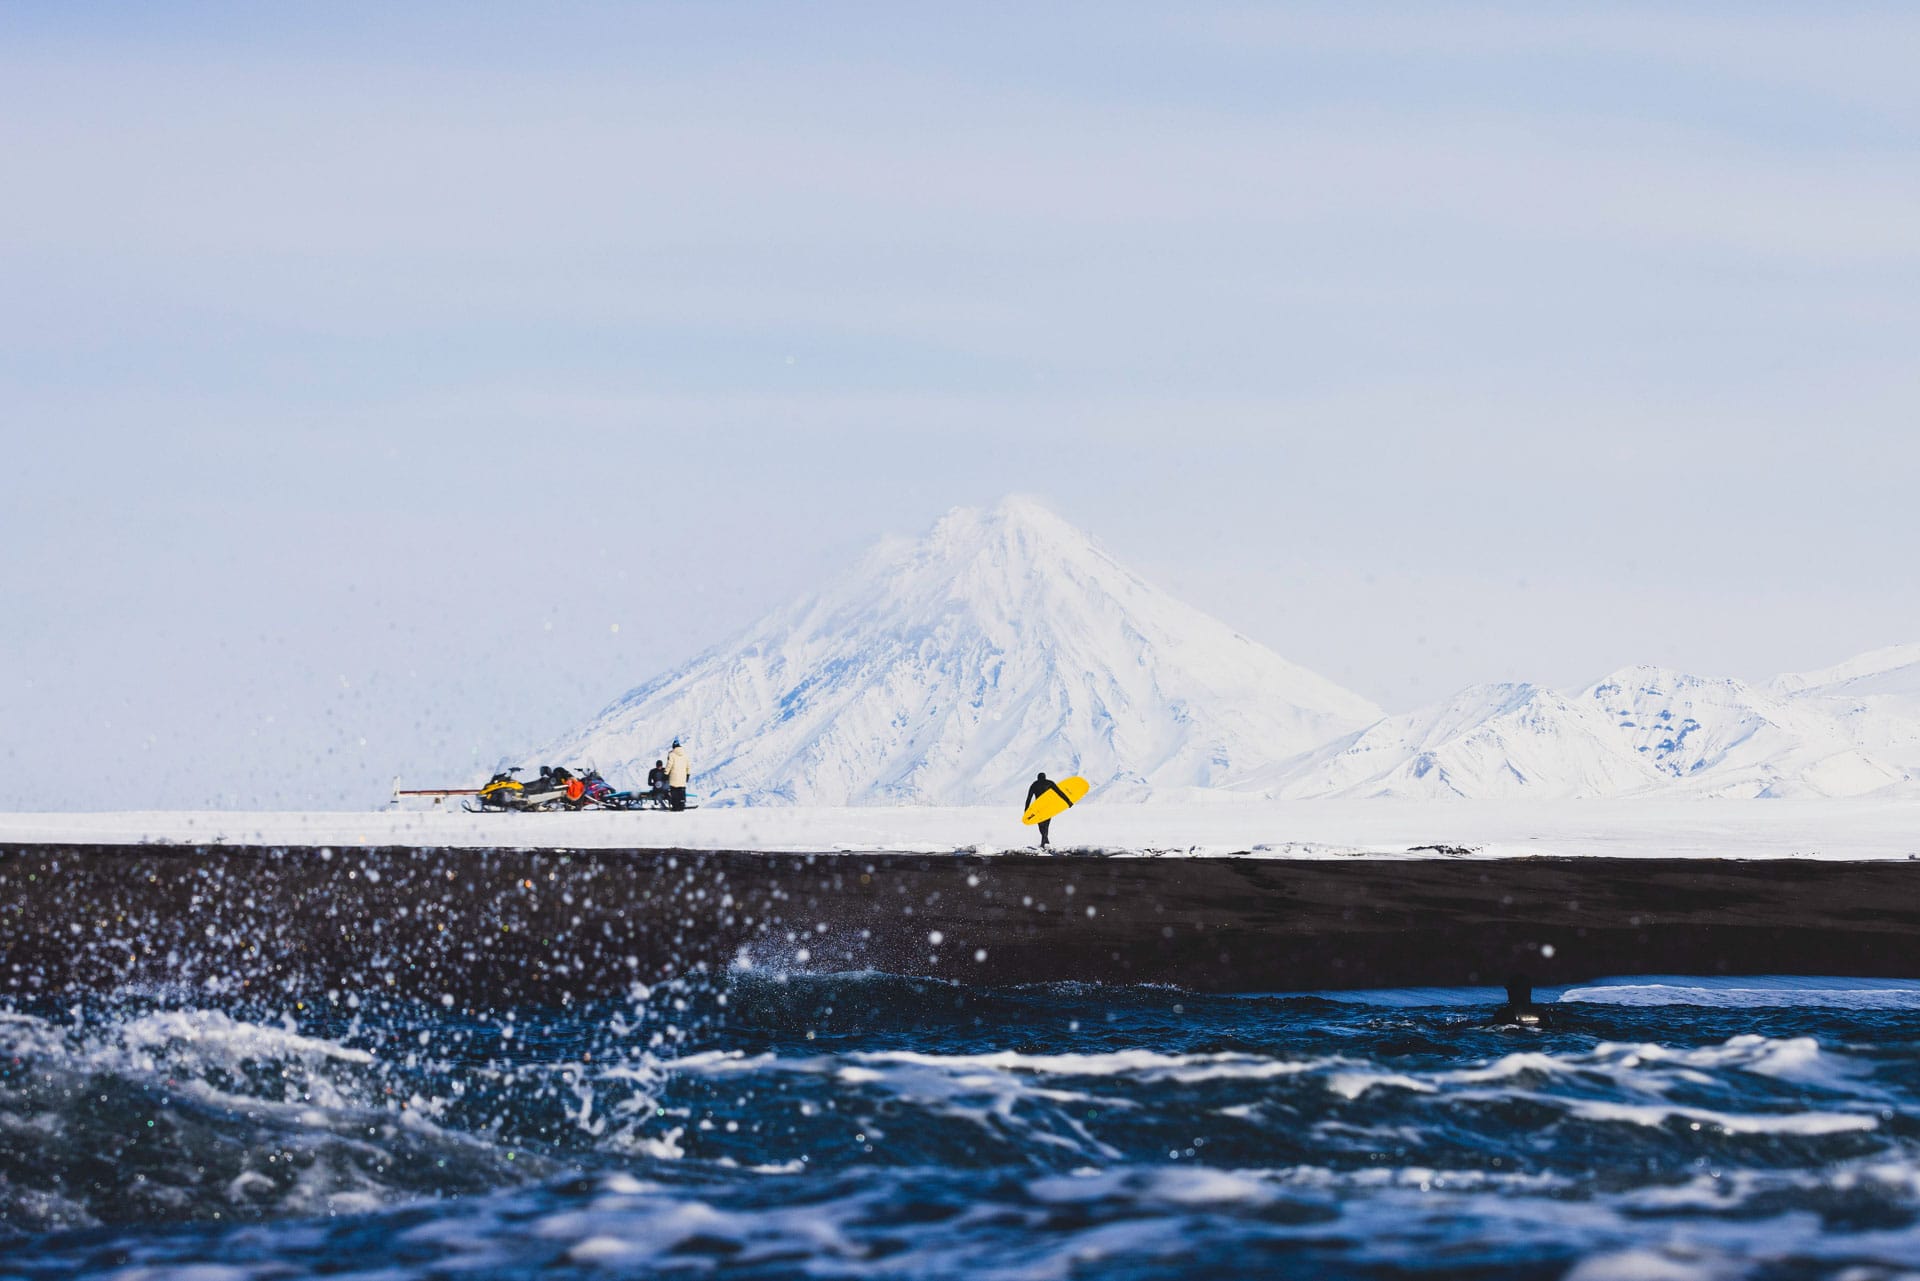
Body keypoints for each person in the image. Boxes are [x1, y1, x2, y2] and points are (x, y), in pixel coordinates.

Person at [1026, 771, 1075, 849]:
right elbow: (1060, 793)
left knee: (1041, 826)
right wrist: (1068, 801)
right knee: (1045, 826)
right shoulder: (1049, 783)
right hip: (1046, 808)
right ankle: (1045, 842)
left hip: (1039, 809)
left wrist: (1026, 810)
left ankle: (1044, 843)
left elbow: (1029, 798)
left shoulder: (1035, 784)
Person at [665, 738, 690, 811]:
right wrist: (688, 774)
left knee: (674, 792)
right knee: (681, 792)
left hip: (674, 777)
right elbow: (688, 766)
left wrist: (666, 773)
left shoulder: (671, 754)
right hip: (682, 778)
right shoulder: (685, 755)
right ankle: (681, 806)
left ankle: (675, 807)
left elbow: (669, 765)